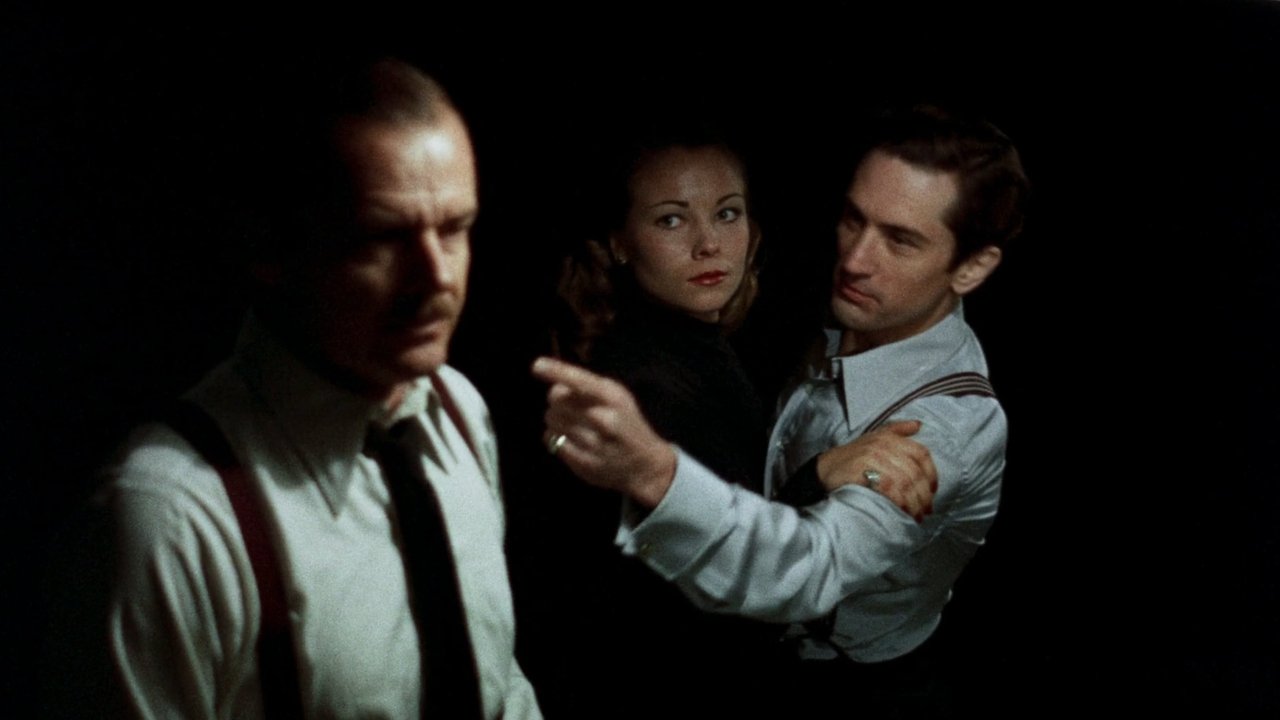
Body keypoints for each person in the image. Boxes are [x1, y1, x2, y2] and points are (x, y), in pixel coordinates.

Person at [48, 58, 542, 719]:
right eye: (384, 238)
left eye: (455, 229)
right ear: (271, 248)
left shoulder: (459, 414)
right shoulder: (171, 518)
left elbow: (499, 684)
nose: (438, 277)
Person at [534, 104, 1028, 715]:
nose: (855, 260)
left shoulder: (943, 431)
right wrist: (818, 473)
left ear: (972, 266)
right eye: (853, 220)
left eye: (900, 240)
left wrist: (658, 475)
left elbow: (808, 573)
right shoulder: (841, 309)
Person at [518, 128, 781, 718]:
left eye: (727, 213)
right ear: (620, 242)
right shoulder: (650, 387)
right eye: (671, 220)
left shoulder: (687, 340)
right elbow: (736, 582)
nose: (708, 244)